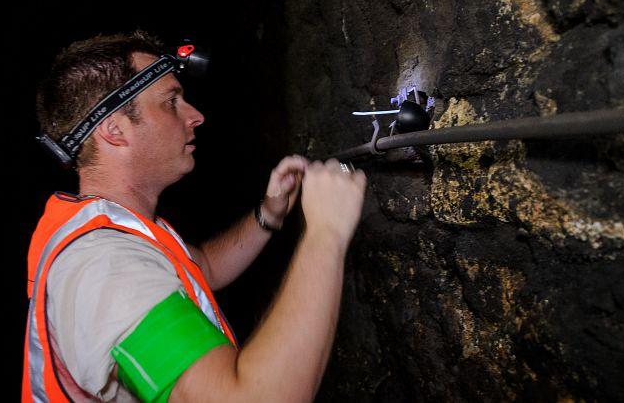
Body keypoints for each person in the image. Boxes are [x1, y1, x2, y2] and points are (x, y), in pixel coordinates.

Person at [24, 30, 367, 402]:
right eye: (171, 102)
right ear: (114, 130)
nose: (196, 116)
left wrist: (269, 213)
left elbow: (201, 267)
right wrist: (326, 232)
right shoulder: (104, 267)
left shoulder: (125, 226)